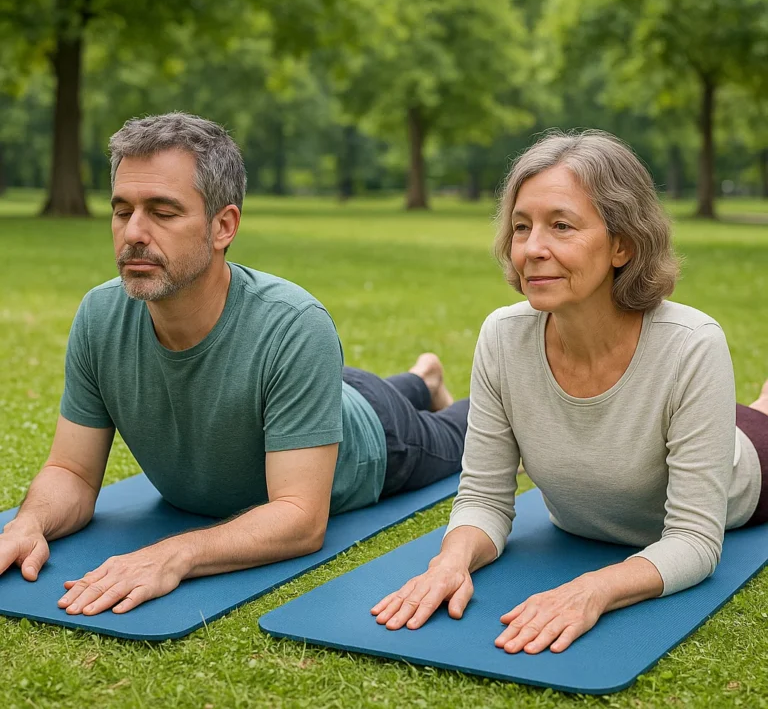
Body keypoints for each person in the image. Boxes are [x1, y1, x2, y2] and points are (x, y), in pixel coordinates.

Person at [0, 112, 469, 617]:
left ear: (223, 225)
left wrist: (175, 555)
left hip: (376, 433)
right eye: (122, 210)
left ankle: (428, 388)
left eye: (162, 211)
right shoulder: (100, 315)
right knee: (370, 383)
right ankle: (423, 377)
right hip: (298, 394)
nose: (133, 232)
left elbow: (299, 517)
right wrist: (28, 523)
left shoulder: (294, 324)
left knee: (465, 432)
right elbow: (71, 470)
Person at [372, 130, 767, 655]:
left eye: (561, 225)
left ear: (622, 244)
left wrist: (593, 590)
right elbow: (485, 498)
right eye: (521, 227)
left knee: (758, 417)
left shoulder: (693, 345)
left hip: (752, 464)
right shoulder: (503, 336)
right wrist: (450, 561)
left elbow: (695, 541)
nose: (532, 249)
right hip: (671, 430)